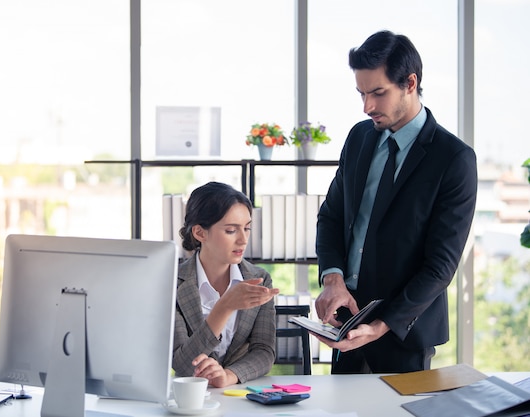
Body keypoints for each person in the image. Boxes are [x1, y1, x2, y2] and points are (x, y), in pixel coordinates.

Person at [314, 30, 478, 374]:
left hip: (404, 334)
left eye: (377, 93)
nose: (367, 106)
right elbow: (331, 217)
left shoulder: (453, 159)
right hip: (347, 320)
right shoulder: (359, 137)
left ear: (410, 83)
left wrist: (381, 325)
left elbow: (440, 267)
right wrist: (333, 280)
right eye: (361, 93)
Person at [172, 181, 280, 387]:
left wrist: (228, 376)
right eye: (231, 230)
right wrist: (224, 306)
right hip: (191, 396)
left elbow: (264, 351)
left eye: (247, 229)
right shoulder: (173, 283)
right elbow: (182, 364)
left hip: (240, 393)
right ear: (200, 233)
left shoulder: (260, 279)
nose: (243, 240)